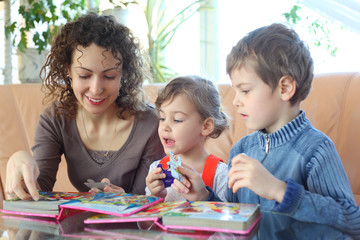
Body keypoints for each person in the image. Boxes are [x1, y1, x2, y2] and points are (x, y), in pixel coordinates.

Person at [171, 23, 360, 235]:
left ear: (285, 88)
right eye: (235, 90)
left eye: (245, 90)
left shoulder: (316, 149)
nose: (235, 101)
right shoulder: (241, 150)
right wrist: (204, 197)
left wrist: (279, 190)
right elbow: (235, 218)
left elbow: (352, 220)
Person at [5, 13, 165, 201]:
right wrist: (19, 159)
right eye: (84, 75)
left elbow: (148, 199)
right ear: (68, 71)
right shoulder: (55, 119)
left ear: (123, 74)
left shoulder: (150, 124)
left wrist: (126, 199)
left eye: (109, 76)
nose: (96, 89)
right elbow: (39, 193)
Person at [145, 76, 229, 202]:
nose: (165, 127)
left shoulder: (221, 174)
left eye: (177, 119)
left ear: (206, 126)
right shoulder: (156, 169)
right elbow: (146, 222)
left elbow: (228, 220)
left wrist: (204, 197)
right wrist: (154, 197)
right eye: (162, 118)